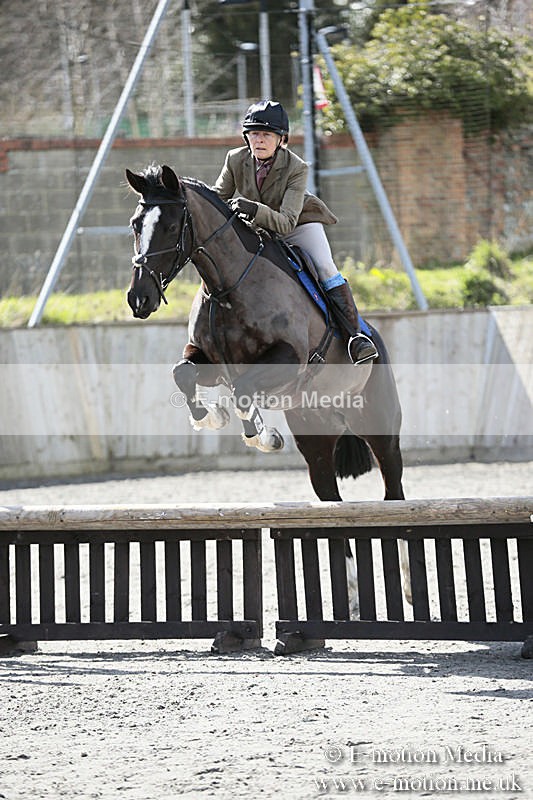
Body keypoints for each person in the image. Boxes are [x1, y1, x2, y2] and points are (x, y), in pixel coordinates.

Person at [213, 99, 378, 365]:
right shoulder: (235, 159)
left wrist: (252, 209)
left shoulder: (296, 167)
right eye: (254, 133)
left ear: (281, 139)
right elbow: (217, 199)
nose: (259, 140)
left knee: (325, 267)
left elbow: (287, 222)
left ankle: (355, 337)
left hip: (299, 224)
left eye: (266, 134)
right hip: (258, 226)